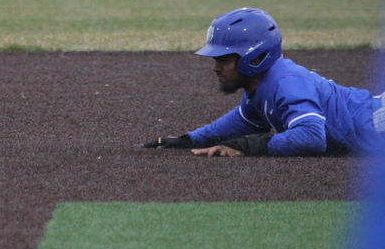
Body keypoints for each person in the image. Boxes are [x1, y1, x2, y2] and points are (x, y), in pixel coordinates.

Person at [142, 8, 385, 157]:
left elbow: (311, 137)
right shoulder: (260, 87)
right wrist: (190, 140)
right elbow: (240, 122)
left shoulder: (287, 81)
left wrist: (245, 147)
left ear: (255, 58)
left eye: (223, 60)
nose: (215, 68)